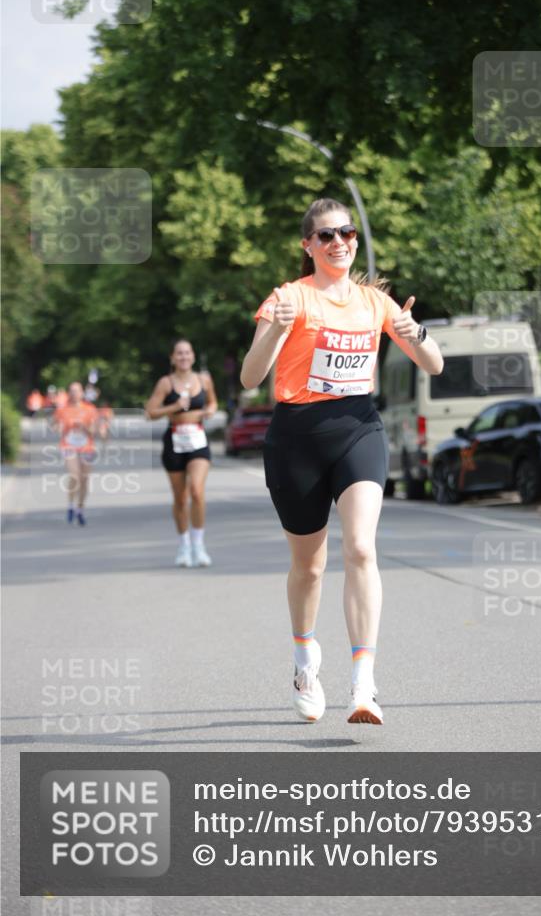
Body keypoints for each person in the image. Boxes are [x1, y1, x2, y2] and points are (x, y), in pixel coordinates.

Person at [240, 197, 443, 725]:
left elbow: (434, 363)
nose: (339, 243)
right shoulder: (289, 298)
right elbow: (249, 378)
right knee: (309, 566)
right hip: (297, 437)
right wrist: (275, 329)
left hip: (358, 429)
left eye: (346, 233)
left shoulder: (375, 303)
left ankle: (364, 684)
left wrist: (414, 330)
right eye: (326, 236)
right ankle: (306, 660)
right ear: (308, 246)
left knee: (360, 547)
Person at [145, 339, 218, 568]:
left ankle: (199, 545)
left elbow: (213, 402)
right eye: (179, 353)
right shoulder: (166, 383)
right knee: (180, 498)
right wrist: (174, 407)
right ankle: (184, 545)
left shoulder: (204, 380)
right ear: (173, 358)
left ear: (193, 357)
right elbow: (150, 412)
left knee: (196, 491)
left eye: (187, 353)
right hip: (174, 441)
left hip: (197, 440)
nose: (184, 356)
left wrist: (209, 411)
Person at [51, 382, 99, 525]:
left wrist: (84, 427)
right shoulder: (62, 410)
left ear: (82, 393)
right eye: (71, 391)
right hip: (68, 446)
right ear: (68, 393)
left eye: (77, 391)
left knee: (84, 479)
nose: (74, 394)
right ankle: (71, 505)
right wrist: (58, 427)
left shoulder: (90, 409)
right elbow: (54, 425)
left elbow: (94, 431)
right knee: (74, 475)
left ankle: (80, 509)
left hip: (86, 447)